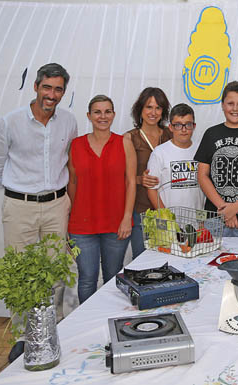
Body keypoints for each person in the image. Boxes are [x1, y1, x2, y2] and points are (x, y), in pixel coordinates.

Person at [0, 63, 77, 325]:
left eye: (58, 89)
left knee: (57, 269)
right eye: (47, 87)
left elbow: (69, 160)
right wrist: (18, 189)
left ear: (63, 92)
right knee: (19, 271)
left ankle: (55, 325)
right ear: (35, 86)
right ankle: (23, 334)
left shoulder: (69, 121)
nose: (52, 94)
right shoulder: (10, 122)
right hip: (19, 207)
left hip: (57, 205)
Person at [67, 95, 136, 304]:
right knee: (87, 279)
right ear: (89, 115)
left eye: (107, 111)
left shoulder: (124, 143)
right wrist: (70, 219)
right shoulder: (76, 145)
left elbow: (131, 182)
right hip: (81, 226)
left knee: (112, 278)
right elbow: (72, 183)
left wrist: (126, 218)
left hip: (116, 225)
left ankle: (110, 325)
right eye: (97, 112)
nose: (102, 116)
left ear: (113, 115)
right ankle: (87, 329)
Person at [194, 81, 238, 237]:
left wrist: (235, 207)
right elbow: (202, 175)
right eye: (230, 103)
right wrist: (225, 209)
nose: (235, 108)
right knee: (211, 260)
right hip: (215, 215)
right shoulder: (211, 134)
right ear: (222, 105)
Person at [125, 87, 172, 258]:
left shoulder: (170, 134)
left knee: (170, 260)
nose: (153, 112)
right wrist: (139, 179)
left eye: (158, 107)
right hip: (142, 211)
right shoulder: (130, 138)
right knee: (143, 261)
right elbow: (119, 176)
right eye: (148, 107)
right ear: (140, 109)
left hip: (168, 210)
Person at [146, 103, 203, 210]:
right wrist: (165, 217)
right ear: (171, 127)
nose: (184, 129)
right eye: (178, 125)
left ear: (194, 126)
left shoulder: (202, 150)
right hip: (170, 221)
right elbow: (152, 189)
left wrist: (202, 221)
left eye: (188, 124)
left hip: (197, 221)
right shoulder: (159, 153)